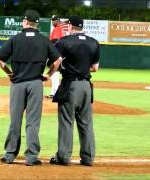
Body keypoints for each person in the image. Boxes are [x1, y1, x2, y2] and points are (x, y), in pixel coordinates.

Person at [0, 9, 62, 166]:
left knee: (15, 119)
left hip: (17, 83)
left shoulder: (15, 38)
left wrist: (9, 73)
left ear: (25, 22)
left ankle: (10, 154)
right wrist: (48, 74)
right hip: (36, 84)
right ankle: (31, 157)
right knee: (33, 121)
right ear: (37, 24)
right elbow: (58, 60)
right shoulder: (44, 40)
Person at [49, 16, 100, 166]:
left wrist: (51, 73)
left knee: (66, 121)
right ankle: (88, 158)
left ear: (70, 26)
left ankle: (64, 157)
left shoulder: (64, 42)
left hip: (70, 85)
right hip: (86, 87)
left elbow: (55, 63)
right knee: (86, 123)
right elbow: (95, 68)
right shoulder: (94, 42)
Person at [48, 15, 64, 99]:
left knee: (55, 72)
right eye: (52, 20)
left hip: (56, 54)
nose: (52, 21)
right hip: (56, 53)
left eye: (54, 20)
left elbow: (56, 41)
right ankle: (53, 92)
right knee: (54, 73)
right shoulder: (57, 28)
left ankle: (56, 92)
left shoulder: (58, 28)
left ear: (58, 20)